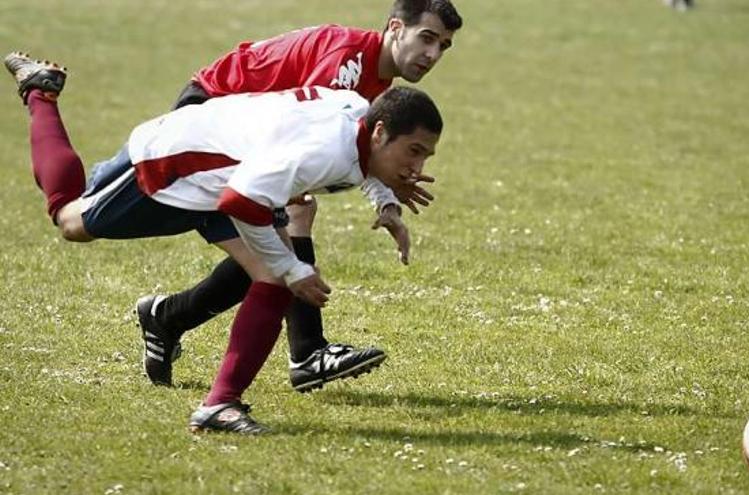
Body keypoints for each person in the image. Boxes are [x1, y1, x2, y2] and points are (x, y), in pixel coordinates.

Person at [5, 51, 443, 433]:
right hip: (173, 162)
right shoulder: (322, 151)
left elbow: (344, 160)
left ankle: (219, 405)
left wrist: (386, 200)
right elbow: (242, 202)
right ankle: (41, 94)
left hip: (230, 172)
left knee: (271, 277)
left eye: (426, 155)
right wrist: (295, 267)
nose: (418, 164)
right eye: (415, 151)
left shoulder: (361, 115)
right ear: (382, 132)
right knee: (70, 220)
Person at [136, 0, 463, 392]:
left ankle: (167, 318)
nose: (432, 54)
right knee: (283, 232)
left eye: (443, 46)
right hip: (208, 114)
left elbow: (356, 145)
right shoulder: (348, 64)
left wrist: (386, 201)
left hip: (247, 134)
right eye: (426, 38)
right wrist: (380, 193)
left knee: (271, 249)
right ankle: (306, 353)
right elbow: (315, 138)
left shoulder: (376, 79)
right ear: (395, 28)